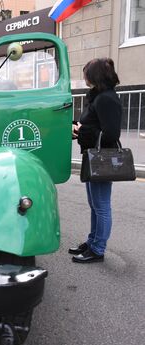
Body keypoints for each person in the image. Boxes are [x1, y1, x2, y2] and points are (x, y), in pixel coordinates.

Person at [70, 58, 121, 263]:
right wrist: (79, 127)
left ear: (95, 75)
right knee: (95, 204)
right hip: (92, 155)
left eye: (86, 73)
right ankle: (92, 242)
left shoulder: (106, 98)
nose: (84, 76)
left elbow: (110, 133)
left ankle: (98, 249)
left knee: (101, 206)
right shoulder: (98, 96)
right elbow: (94, 124)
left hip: (101, 158)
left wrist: (83, 130)